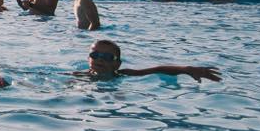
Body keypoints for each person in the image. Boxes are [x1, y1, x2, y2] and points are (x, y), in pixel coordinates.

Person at [76, 39, 221, 82]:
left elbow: (157, 69)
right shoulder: (81, 76)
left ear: (117, 63)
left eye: (107, 57)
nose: (100, 59)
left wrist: (187, 69)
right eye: (95, 55)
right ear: (89, 58)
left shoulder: (123, 74)